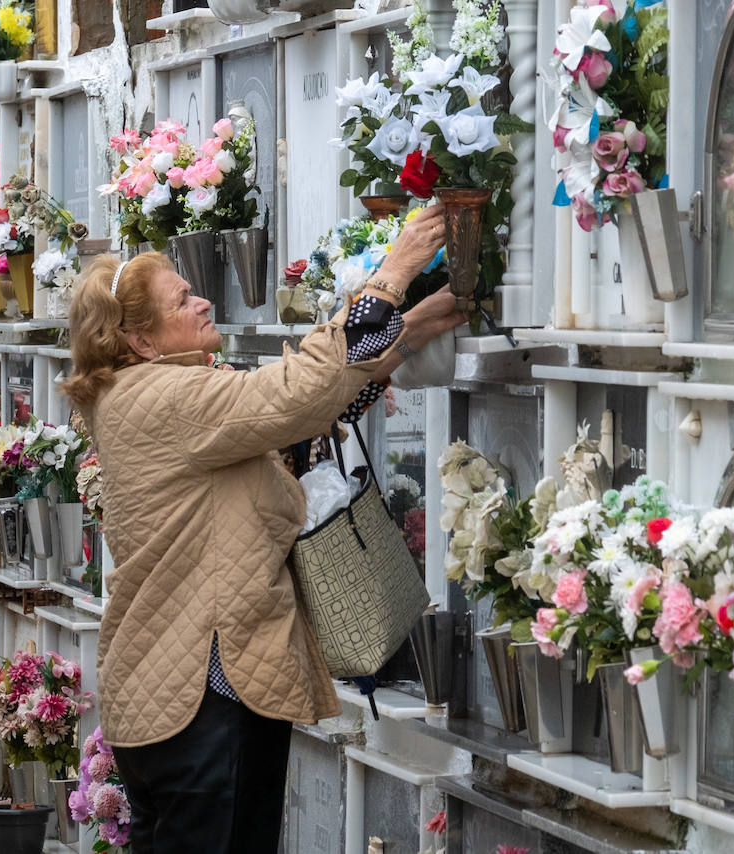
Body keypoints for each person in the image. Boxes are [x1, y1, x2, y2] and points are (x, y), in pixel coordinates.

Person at [63, 204, 464, 853]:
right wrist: (394, 272)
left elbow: (283, 430)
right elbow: (292, 398)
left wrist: (409, 329)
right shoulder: (168, 399)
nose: (201, 303)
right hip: (203, 696)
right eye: (182, 298)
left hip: (171, 695)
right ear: (139, 340)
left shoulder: (146, 395)